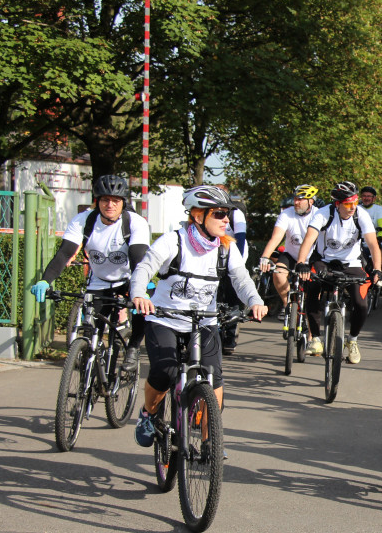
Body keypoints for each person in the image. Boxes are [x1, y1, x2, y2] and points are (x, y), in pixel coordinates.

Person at [129, 185, 267, 448]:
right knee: (165, 371)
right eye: (219, 214)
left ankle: (209, 442)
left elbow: (241, 279)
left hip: (204, 321)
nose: (226, 221)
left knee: (214, 378)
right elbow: (145, 267)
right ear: (197, 215)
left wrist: (255, 301)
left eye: (227, 214)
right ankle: (148, 414)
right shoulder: (173, 241)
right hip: (165, 319)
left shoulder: (226, 248)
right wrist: (139, 294)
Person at [30, 174, 151, 369]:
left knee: (143, 308)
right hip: (99, 281)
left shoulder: (135, 222)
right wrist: (45, 280)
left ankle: (134, 347)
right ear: (97, 201)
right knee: (92, 331)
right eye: (105, 200)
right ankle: (91, 369)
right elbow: (64, 253)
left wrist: (139, 291)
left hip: (129, 278)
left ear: (123, 202)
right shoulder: (83, 221)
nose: (110, 205)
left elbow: (138, 259)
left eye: (115, 200)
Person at [295, 181, 382, 364]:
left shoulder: (361, 215)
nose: (353, 207)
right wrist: (301, 262)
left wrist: (377, 270)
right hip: (324, 261)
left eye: (355, 202)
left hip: (352, 263)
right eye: (348, 204)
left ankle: (352, 340)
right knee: (312, 287)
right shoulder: (323, 214)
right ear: (337, 204)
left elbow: (373, 244)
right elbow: (309, 239)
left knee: (361, 303)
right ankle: (316, 339)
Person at [258, 184, 319, 322]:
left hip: (311, 258)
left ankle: (311, 331)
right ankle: (288, 305)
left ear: (311, 201)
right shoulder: (286, 214)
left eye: (300, 199)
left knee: (314, 295)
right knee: (278, 273)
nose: (296, 202)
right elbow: (276, 237)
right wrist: (265, 257)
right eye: (295, 199)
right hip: (291, 255)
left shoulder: (318, 214)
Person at [218, 202, 249, 354]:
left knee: (232, 297)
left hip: (234, 253)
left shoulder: (236, 214)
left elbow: (240, 239)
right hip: (216, 255)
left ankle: (230, 337)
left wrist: (236, 265)